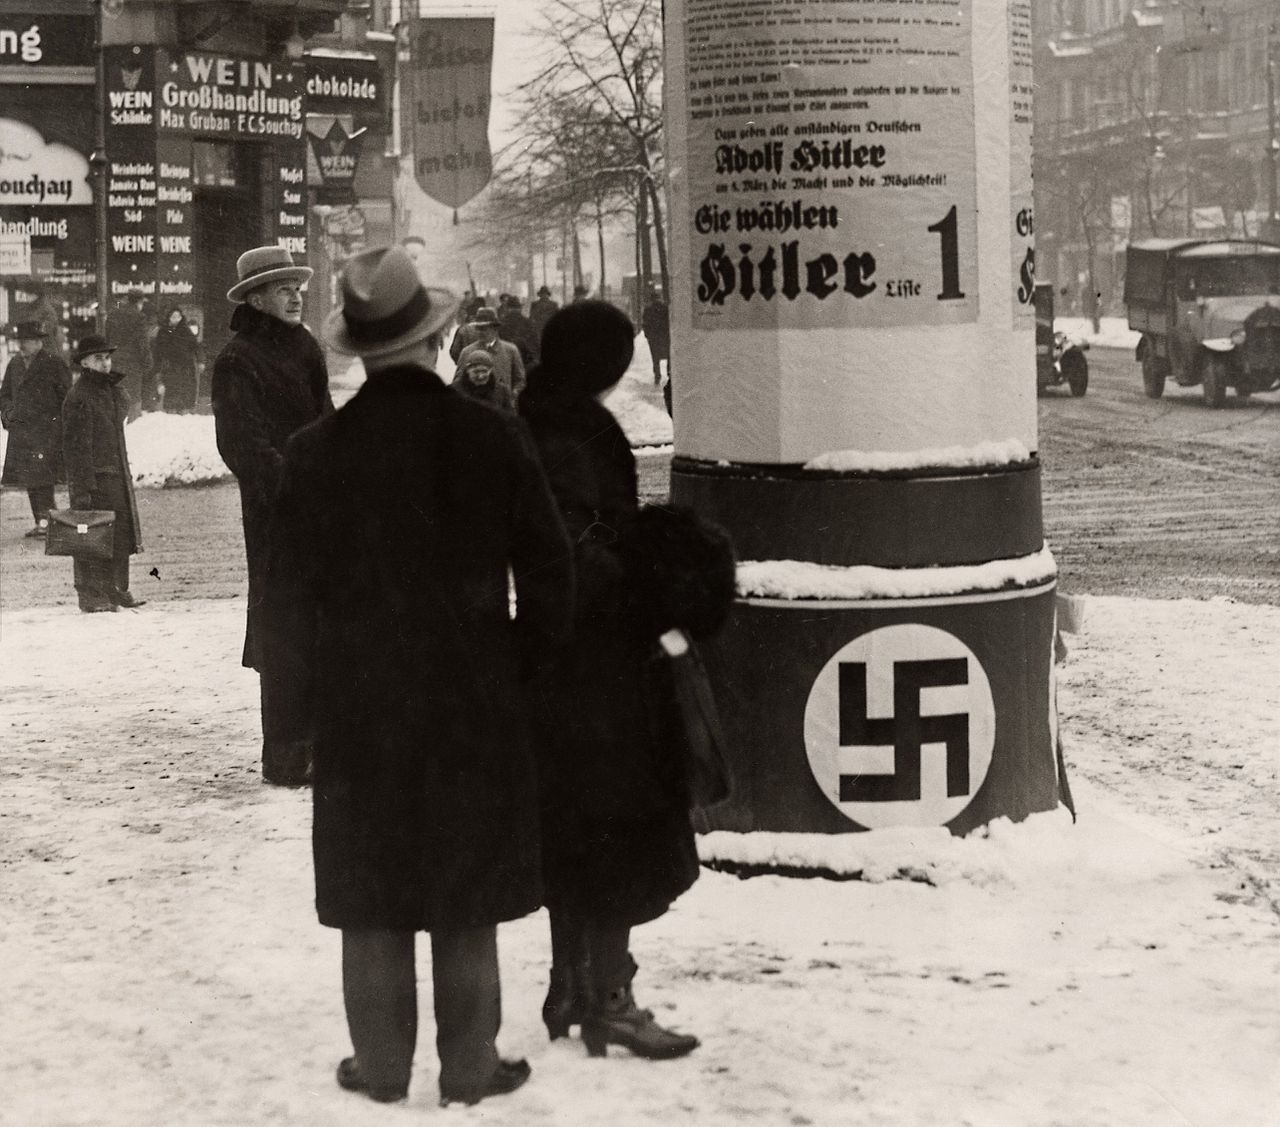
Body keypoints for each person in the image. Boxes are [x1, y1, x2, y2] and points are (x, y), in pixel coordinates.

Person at [261, 244, 575, 1107]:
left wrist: (296, 718)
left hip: (361, 704)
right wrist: (522, 670)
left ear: (359, 352)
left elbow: (285, 601)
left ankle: (382, 1065)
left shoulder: (314, 453)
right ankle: (472, 1064)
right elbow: (551, 573)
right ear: (434, 343)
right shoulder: (493, 437)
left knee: (371, 891)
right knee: (466, 888)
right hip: (475, 694)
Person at [519, 301, 715, 1062]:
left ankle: (569, 983)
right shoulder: (579, 433)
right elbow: (582, 548)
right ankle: (612, 998)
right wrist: (652, 587)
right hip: (601, 664)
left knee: (572, 827)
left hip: (550, 660)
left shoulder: (537, 415)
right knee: (621, 827)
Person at [212, 245, 332, 787]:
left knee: (325, 623)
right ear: (256, 298)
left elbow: (325, 416)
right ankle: (286, 757)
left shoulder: (305, 346)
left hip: (321, 503)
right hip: (275, 513)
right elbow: (242, 444)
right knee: (283, 630)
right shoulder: (237, 359)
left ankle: (324, 746)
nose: (294, 295)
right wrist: (294, 487)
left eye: (296, 286)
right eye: (282, 287)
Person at [61, 335, 144, 613]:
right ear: (84, 362)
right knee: (91, 536)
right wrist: (81, 490)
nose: (106, 363)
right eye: (99, 358)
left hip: (115, 473)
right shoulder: (80, 395)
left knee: (119, 534)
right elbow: (76, 448)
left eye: (108, 357)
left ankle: (117, 589)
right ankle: (90, 595)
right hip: (94, 478)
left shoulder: (108, 390)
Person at [1, 320, 72, 538]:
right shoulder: (15, 364)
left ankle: (49, 522)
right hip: (22, 432)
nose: (23, 346)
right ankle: (41, 521)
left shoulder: (54, 363)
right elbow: (4, 394)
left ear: (38, 342)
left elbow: (66, 396)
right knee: (29, 479)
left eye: (27, 341)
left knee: (43, 478)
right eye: (20, 341)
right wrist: (7, 415)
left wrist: (61, 424)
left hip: (46, 432)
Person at [456, 307, 526, 403]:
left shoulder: (510, 350)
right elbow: (458, 381)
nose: (480, 332)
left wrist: (513, 394)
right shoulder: (467, 352)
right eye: (478, 328)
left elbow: (520, 380)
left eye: (484, 328)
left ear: (495, 328)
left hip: (501, 405)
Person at [105, 292, 153, 420]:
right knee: (133, 399)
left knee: (116, 398)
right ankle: (133, 429)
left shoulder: (113, 315)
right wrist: (148, 363)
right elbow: (143, 343)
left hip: (114, 361)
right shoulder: (139, 317)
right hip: (132, 363)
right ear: (139, 302)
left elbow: (107, 338)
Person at [152, 306, 203, 413]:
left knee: (183, 389)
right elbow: (158, 349)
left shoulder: (186, 331)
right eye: (173, 317)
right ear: (169, 318)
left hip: (184, 366)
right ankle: (170, 411)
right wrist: (157, 363)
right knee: (170, 389)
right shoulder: (163, 331)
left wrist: (200, 360)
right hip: (169, 365)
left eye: (178, 317)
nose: (176, 319)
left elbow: (196, 346)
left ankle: (182, 411)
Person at [451, 347, 514, 413]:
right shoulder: (454, 391)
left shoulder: (502, 392)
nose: (480, 376)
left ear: (490, 370)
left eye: (484, 371)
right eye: (476, 372)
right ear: (467, 370)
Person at [497, 293, 538, 366]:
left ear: (508, 308)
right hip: (525, 359)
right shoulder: (528, 322)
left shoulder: (501, 323)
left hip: (506, 358)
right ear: (520, 308)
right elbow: (535, 342)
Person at [641, 289, 670, 387]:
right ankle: (669, 373)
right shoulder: (665, 308)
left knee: (655, 357)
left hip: (654, 337)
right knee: (668, 354)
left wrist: (647, 334)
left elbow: (645, 323)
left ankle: (657, 375)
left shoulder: (648, 309)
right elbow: (669, 321)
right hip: (664, 336)